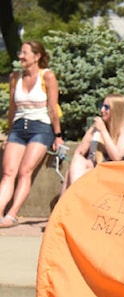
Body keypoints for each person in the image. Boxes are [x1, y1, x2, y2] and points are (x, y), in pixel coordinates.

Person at [0, 40, 64, 227]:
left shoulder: (48, 76)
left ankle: (12, 214)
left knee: (24, 171)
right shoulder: (15, 77)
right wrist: (9, 132)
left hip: (41, 128)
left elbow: (52, 108)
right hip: (19, 128)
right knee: (8, 172)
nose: (20, 56)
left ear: (37, 57)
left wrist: (58, 136)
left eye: (25, 53)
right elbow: (12, 108)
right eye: (20, 52)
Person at [60, 94, 124, 194]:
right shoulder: (97, 126)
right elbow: (79, 152)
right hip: (92, 169)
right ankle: (72, 200)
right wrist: (88, 162)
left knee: (70, 175)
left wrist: (103, 131)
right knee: (75, 165)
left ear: (116, 110)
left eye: (106, 107)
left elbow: (117, 157)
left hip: (112, 172)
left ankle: (72, 201)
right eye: (101, 106)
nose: (102, 110)